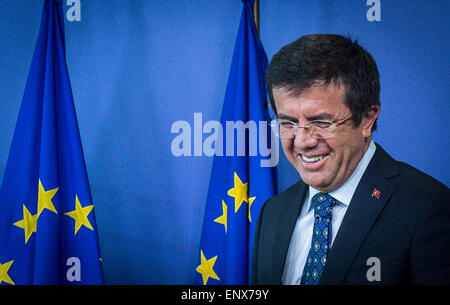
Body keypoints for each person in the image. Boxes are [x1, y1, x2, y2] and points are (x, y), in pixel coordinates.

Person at [251, 34, 450, 285]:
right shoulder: (273, 212)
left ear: (367, 119)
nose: (302, 142)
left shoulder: (428, 207)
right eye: (288, 123)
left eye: (321, 121)